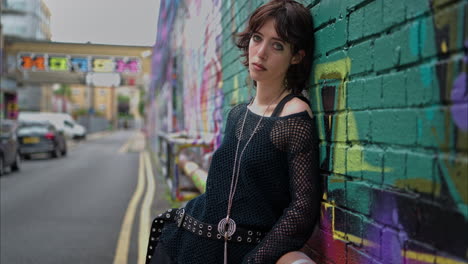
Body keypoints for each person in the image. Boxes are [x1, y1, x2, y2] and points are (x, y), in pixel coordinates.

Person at [146, 0, 320, 263]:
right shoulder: (238, 114)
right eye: (257, 38)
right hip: (193, 240)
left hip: (242, 252)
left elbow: (302, 210)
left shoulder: (292, 115)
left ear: (296, 56)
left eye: (277, 45)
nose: (260, 53)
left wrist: (255, 260)